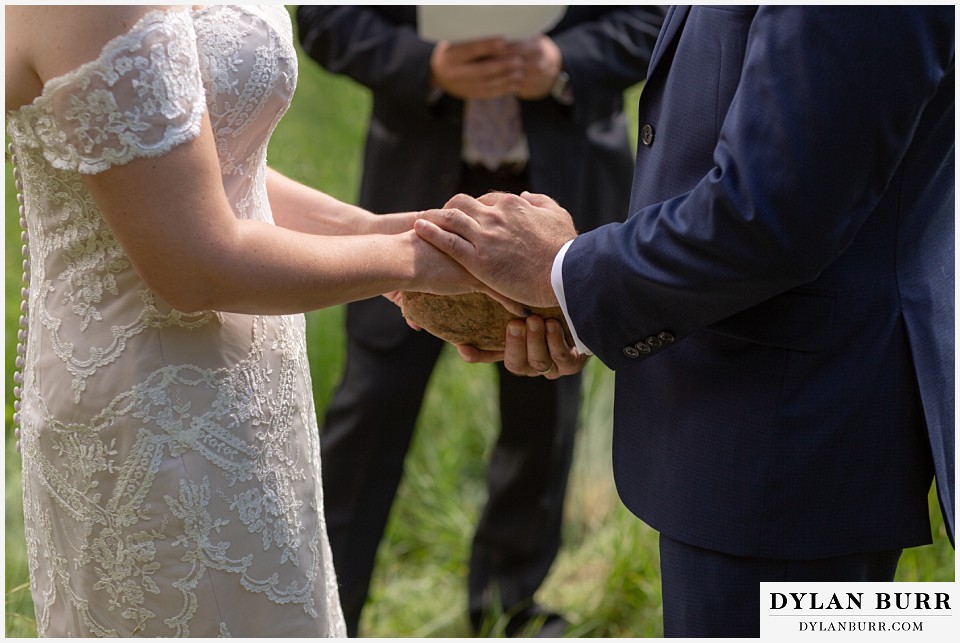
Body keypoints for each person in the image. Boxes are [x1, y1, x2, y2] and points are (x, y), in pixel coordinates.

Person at [416, 6, 955, 638]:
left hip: (790, 441)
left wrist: (566, 274)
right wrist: (584, 302)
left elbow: (774, 212)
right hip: (746, 412)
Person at [4, 5, 508, 637]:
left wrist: (375, 229)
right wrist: (416, 263)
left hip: (254, 384)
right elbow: (196, 266)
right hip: (150, 409)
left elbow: (190, 160)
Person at [295, 5, 665, 636]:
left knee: (543, 404)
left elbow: (659, 18)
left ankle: (509, 606)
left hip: (557, 190)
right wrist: (428, 66)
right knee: (372, 402)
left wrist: (561, 64)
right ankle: (324, 609)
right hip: (419, 185)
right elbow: (328, 19)